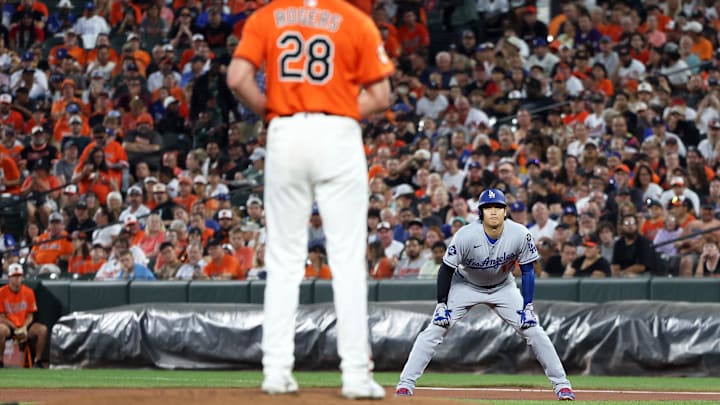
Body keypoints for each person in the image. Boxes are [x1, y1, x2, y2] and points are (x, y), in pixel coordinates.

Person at [227, 0, 394, 398]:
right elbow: (382, 95)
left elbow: (237, 78)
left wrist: (272, 110)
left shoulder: (266, 16)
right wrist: (338, 110)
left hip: (286, 131)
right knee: (348, 258)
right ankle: (355, 375)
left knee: (284, 258)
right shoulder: (355, 20)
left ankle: (276, 370)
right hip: (337, 133)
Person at [395, 189, 575, 400]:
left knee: (533, 330)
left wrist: (528, 307)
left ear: (505, 211)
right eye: (487, 207)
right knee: (436, 328)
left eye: (497, 207)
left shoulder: (519, 233)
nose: (493, 211)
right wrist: (441, 304)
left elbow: (528, 271)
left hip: (503, 287)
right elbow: (446, 269)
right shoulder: (465, 235)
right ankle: (405, 384)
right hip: (466, 285)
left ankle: (562, 385)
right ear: (480, 212)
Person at [0, 264, 48, 368]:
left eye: (19, 276)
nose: (17, 279)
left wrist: (24, 327)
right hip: (9, 326)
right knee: (0, 330)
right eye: (14, 276)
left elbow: (30, 315)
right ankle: (0, 361)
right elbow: (1, 317)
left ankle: (38, 361)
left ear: (22, 277)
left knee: (42, 330)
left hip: (24, 325)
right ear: (9, 277)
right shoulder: (1, 292)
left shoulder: (29, 292)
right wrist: (15, 328)